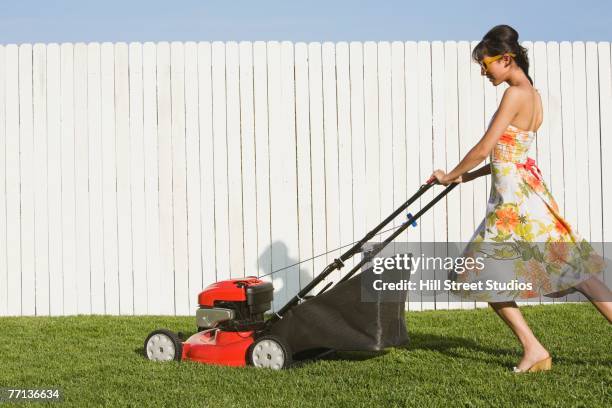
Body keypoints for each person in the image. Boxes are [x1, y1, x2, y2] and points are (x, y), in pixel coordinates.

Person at [428, 24, 612, 373]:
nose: (483, 71)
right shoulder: (533, 94)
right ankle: (534, 350)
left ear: (506, 59)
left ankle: (534, 349)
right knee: (578, 272)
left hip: (515, 206)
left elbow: (485, 147)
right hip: (526, 196)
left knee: (474, 272)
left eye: (486, 64)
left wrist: (451, 173)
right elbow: (510, 154)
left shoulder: (514, 94)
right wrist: (464, 177)